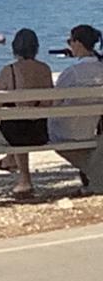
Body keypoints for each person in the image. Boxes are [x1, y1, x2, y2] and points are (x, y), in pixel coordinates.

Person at [0, 28, 54, 203]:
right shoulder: (45, 69)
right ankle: (21, 176)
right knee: (20, 125)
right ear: (36, 47)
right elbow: (49, 103)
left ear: (14, 48)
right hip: (40, 134)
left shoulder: (8, 71)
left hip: (14, 135)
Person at [49, 24, 103, 187]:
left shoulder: (72, 72)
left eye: (69, 41)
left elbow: (54, 102)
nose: (69, 45)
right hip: (90, 128)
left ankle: (94, 178)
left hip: (64, 132)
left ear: (78, 43)